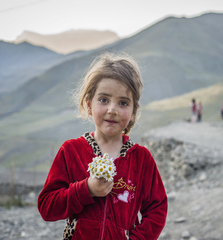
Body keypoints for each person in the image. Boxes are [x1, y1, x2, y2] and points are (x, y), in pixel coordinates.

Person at [38, 52, 168, 240]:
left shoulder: (141, 159)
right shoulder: (71, 151)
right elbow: (47, 207)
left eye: (123, 102)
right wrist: (86, 189)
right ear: (89, 105)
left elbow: (157, 209)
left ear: (133, 112)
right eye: (104, 99)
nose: (112, 109)